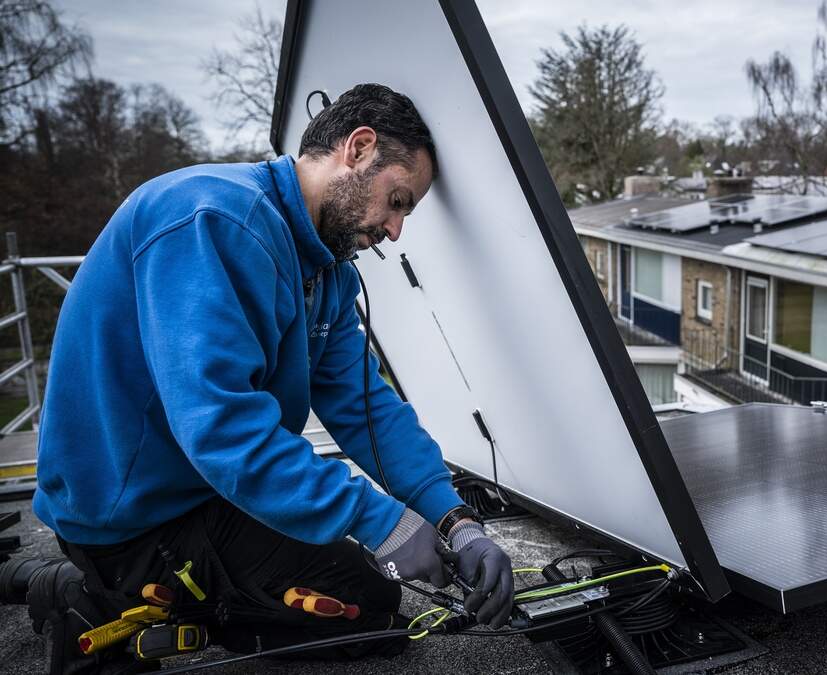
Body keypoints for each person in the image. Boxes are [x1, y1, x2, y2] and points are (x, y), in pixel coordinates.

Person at [19, 83, 515, 673]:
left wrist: (453, 519)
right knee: (363, 608)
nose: (395, 229)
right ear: (358, 149)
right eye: (398, 200)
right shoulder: (212, 220)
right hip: (133, 516)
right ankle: (92, 596)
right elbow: (224, 431)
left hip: (207, 489)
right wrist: (381, 520)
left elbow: (367, 409)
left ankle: (124, 590)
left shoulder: (325, 271)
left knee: (373, 603)